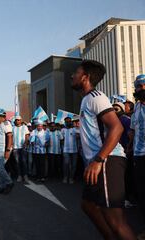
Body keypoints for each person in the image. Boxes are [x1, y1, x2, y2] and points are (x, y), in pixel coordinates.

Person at [72, 60, 135, 239]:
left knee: (116, 221)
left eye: (76, 72)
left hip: (107, 161)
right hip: (97, 162)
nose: (72, 75)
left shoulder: (96, 97)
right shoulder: (87, 99)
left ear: (85, 77)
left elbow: (117, 127)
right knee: (89, 205)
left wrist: (99, 160)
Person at [129, 74, 145, 239]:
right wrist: (129, 147)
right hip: (139, 156)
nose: (138, 89)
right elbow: (133, 131)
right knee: (142, 193)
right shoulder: (137, 108)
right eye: (137, 87)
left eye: (141, 86)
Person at [0, 109, 14, 194]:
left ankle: (9, 182)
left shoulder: (6, 123)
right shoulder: (0, 125)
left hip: (3, 150)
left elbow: (9, 137)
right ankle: (1, 186)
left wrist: (8, 150)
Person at [61, 117, 79, 184]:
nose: (68, 122)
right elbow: (61, 140)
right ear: (65, 122)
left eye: (69, 121)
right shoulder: (63, 130)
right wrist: (62, 149)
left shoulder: (75, 129)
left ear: (71, 122)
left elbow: (79, 136)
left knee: (74, 165)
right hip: (66, 150)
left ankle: (71, 178)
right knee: (66, 164)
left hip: (74, 150)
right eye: (66, 121)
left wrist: (78, 135)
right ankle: (65, 177)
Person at [12, 115, 30, 182]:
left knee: (24, 162)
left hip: (23, 147)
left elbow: (27, 135)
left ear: (21, 120)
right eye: (16, 120)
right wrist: (12, 145)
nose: (17, 121)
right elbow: (11, 137)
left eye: (19, 120)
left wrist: (25, 143)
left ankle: (25, 175)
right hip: (15, 148)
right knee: (17, 162)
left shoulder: (24, 127)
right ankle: (19, 176)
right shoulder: (13, 128)